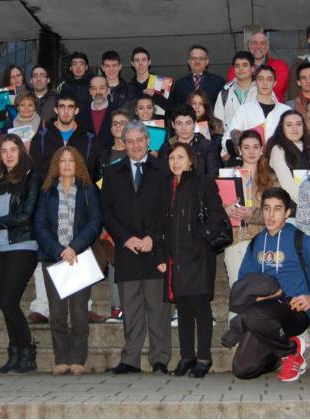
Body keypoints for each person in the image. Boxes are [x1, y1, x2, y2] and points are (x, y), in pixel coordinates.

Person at [232, 188, 310, 381]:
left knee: (252, 315)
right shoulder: (256, 243)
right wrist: (258, 297)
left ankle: (291, 353)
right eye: (267, 208)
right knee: (243, 369)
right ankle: (284, 352)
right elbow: (243, 281)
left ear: (287, 213)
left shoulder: (301, 240)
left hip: (294, 310)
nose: (271, 215)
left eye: (277, 209)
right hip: (263, 314)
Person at [102, 120, 171, 374]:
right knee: (130, 307)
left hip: (155, 248)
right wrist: (124, 237)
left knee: (158, 307)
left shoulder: (162, 169)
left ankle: (160, 358)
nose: (135, 145)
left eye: (139, 140)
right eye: (129, 141)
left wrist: (153, 236)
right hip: (126, 248)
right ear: (124, 143)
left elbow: (168, 209)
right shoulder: (112, 172)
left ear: (147, 141)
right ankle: (130, 358)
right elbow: (106, 211)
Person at [155, 143, 228, 378]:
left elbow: (217, 214)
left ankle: (204, 357)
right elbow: (161, 225)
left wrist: (202, 237)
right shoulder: (166, 187)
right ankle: (187, 356)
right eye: (172, 158)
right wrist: (161, 255)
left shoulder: (203, 183)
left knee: (200, 308)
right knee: (183, 309)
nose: (175, 162)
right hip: (176, 257)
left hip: (198, 256)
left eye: (180, 157)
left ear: (191, 160)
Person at [34, 147, 103, 376]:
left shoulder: (87, 189)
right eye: (62, 160)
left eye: (71, 161)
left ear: (78, 165)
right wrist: (59, 250)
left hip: (79, 258)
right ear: (56, 164)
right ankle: (61, 358)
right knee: (57, 313)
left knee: (80, 313)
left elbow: (95, 222)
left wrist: (74, 248)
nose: (66, 165)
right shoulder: (46, 191)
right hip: (54, 258)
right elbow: (39, 225)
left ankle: (78, 358)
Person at [0, 134, 41, 374]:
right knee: (6, 303)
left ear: (21, 152)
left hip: (23, 245)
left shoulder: (31, 178)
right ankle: (15, 355)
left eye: (13, 149)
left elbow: (25, 216)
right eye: (4, 150)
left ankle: (27, 352)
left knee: (9, 301)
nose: (9, 154)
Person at [221, 131, 279, 309]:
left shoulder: (270, 178)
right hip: (236, 241)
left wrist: (252, 214)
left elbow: (277, 212)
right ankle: (238, 336)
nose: (251, 152)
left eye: (255, 147)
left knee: (264, 296)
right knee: (239, 295)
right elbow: (215, 207)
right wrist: (226, 209)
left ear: (262, 150)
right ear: (239, 150)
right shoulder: (228, 175)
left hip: (263, 243)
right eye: (246, 147)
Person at [96, 108, 131, 321]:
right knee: (113, 260)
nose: (119, 127)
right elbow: (97, 184)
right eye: (115, 123)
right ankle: (117, 306)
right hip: (110, 214)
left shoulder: (136, 151)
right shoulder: (103, 155)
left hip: (134, 213)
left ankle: (134, 305)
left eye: (123, 123)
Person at [221, 66, 291, 158]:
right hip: (250, 164)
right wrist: (242, 152)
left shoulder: (285, 111)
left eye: (269, 79)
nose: (265, 83)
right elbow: (226, 139)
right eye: (261, 79)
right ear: (255, 83)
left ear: (274, 83)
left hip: (279, 162)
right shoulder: (244, 110)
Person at [29, 92, 99, 176]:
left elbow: (96, 173)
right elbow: (35, 173)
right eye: (62, 107)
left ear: (76, 110)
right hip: (48, 188)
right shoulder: (41, 138)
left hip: (81, 188)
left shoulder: (89, 139)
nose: (66, 111)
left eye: (70, 107)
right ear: (56, 110)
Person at [157, 104, 222, 177]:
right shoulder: (166, 147)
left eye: (188, 123)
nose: (184, 128)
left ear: (194, 124)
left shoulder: (207, 146)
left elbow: (213, 176)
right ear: (173, 125)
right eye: (179, 123)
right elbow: (162, 178)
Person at [214, 52, 257, 156]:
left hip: (256, 148)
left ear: (252, 68)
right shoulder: (225, 93)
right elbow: (219, 125)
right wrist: (224, 152)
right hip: (230, 150)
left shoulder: (262, 91)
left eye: (245, 65)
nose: (241, 69)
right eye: (237, 66)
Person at [226, 31, 289, 102]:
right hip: (244, 110)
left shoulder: (280, 66)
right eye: (254, 43)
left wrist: (247, 82)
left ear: (267, 47)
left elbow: (278, 88)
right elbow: (235, 87)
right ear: (249, 46)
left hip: (273, 110)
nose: (258, 46)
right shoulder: (236, 67)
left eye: (262, 43)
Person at [266, 110, 310, 205]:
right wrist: (309, 205)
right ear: (282, 128)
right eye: (289, 125)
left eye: (298, 124)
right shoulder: (278, 149)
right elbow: (287, 184)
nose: (295, 128)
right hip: (291, 207)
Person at [170, 44, 225, 109]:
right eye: (193, 58)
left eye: (201, 58)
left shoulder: (218, 82)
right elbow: (175, 107)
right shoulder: (180, 84)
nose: (197, 61)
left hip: (211, 119)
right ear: (188, 61)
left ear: (207, 62)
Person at [128, 47, 171, 116]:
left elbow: (171, 109)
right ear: (132, 63)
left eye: (144, 60)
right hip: (136, 126)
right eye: (137, 60)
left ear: (149, 62)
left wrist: (155, 96)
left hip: (157, 125)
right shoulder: (128, 87)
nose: (140, 63)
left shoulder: (161, 82)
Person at [78, 75, 114, 150]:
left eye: (101, 88)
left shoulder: (117, 112)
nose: (98, 92)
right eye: (94, 89)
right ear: (90, 91)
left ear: (108, 90)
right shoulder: (80, 114)